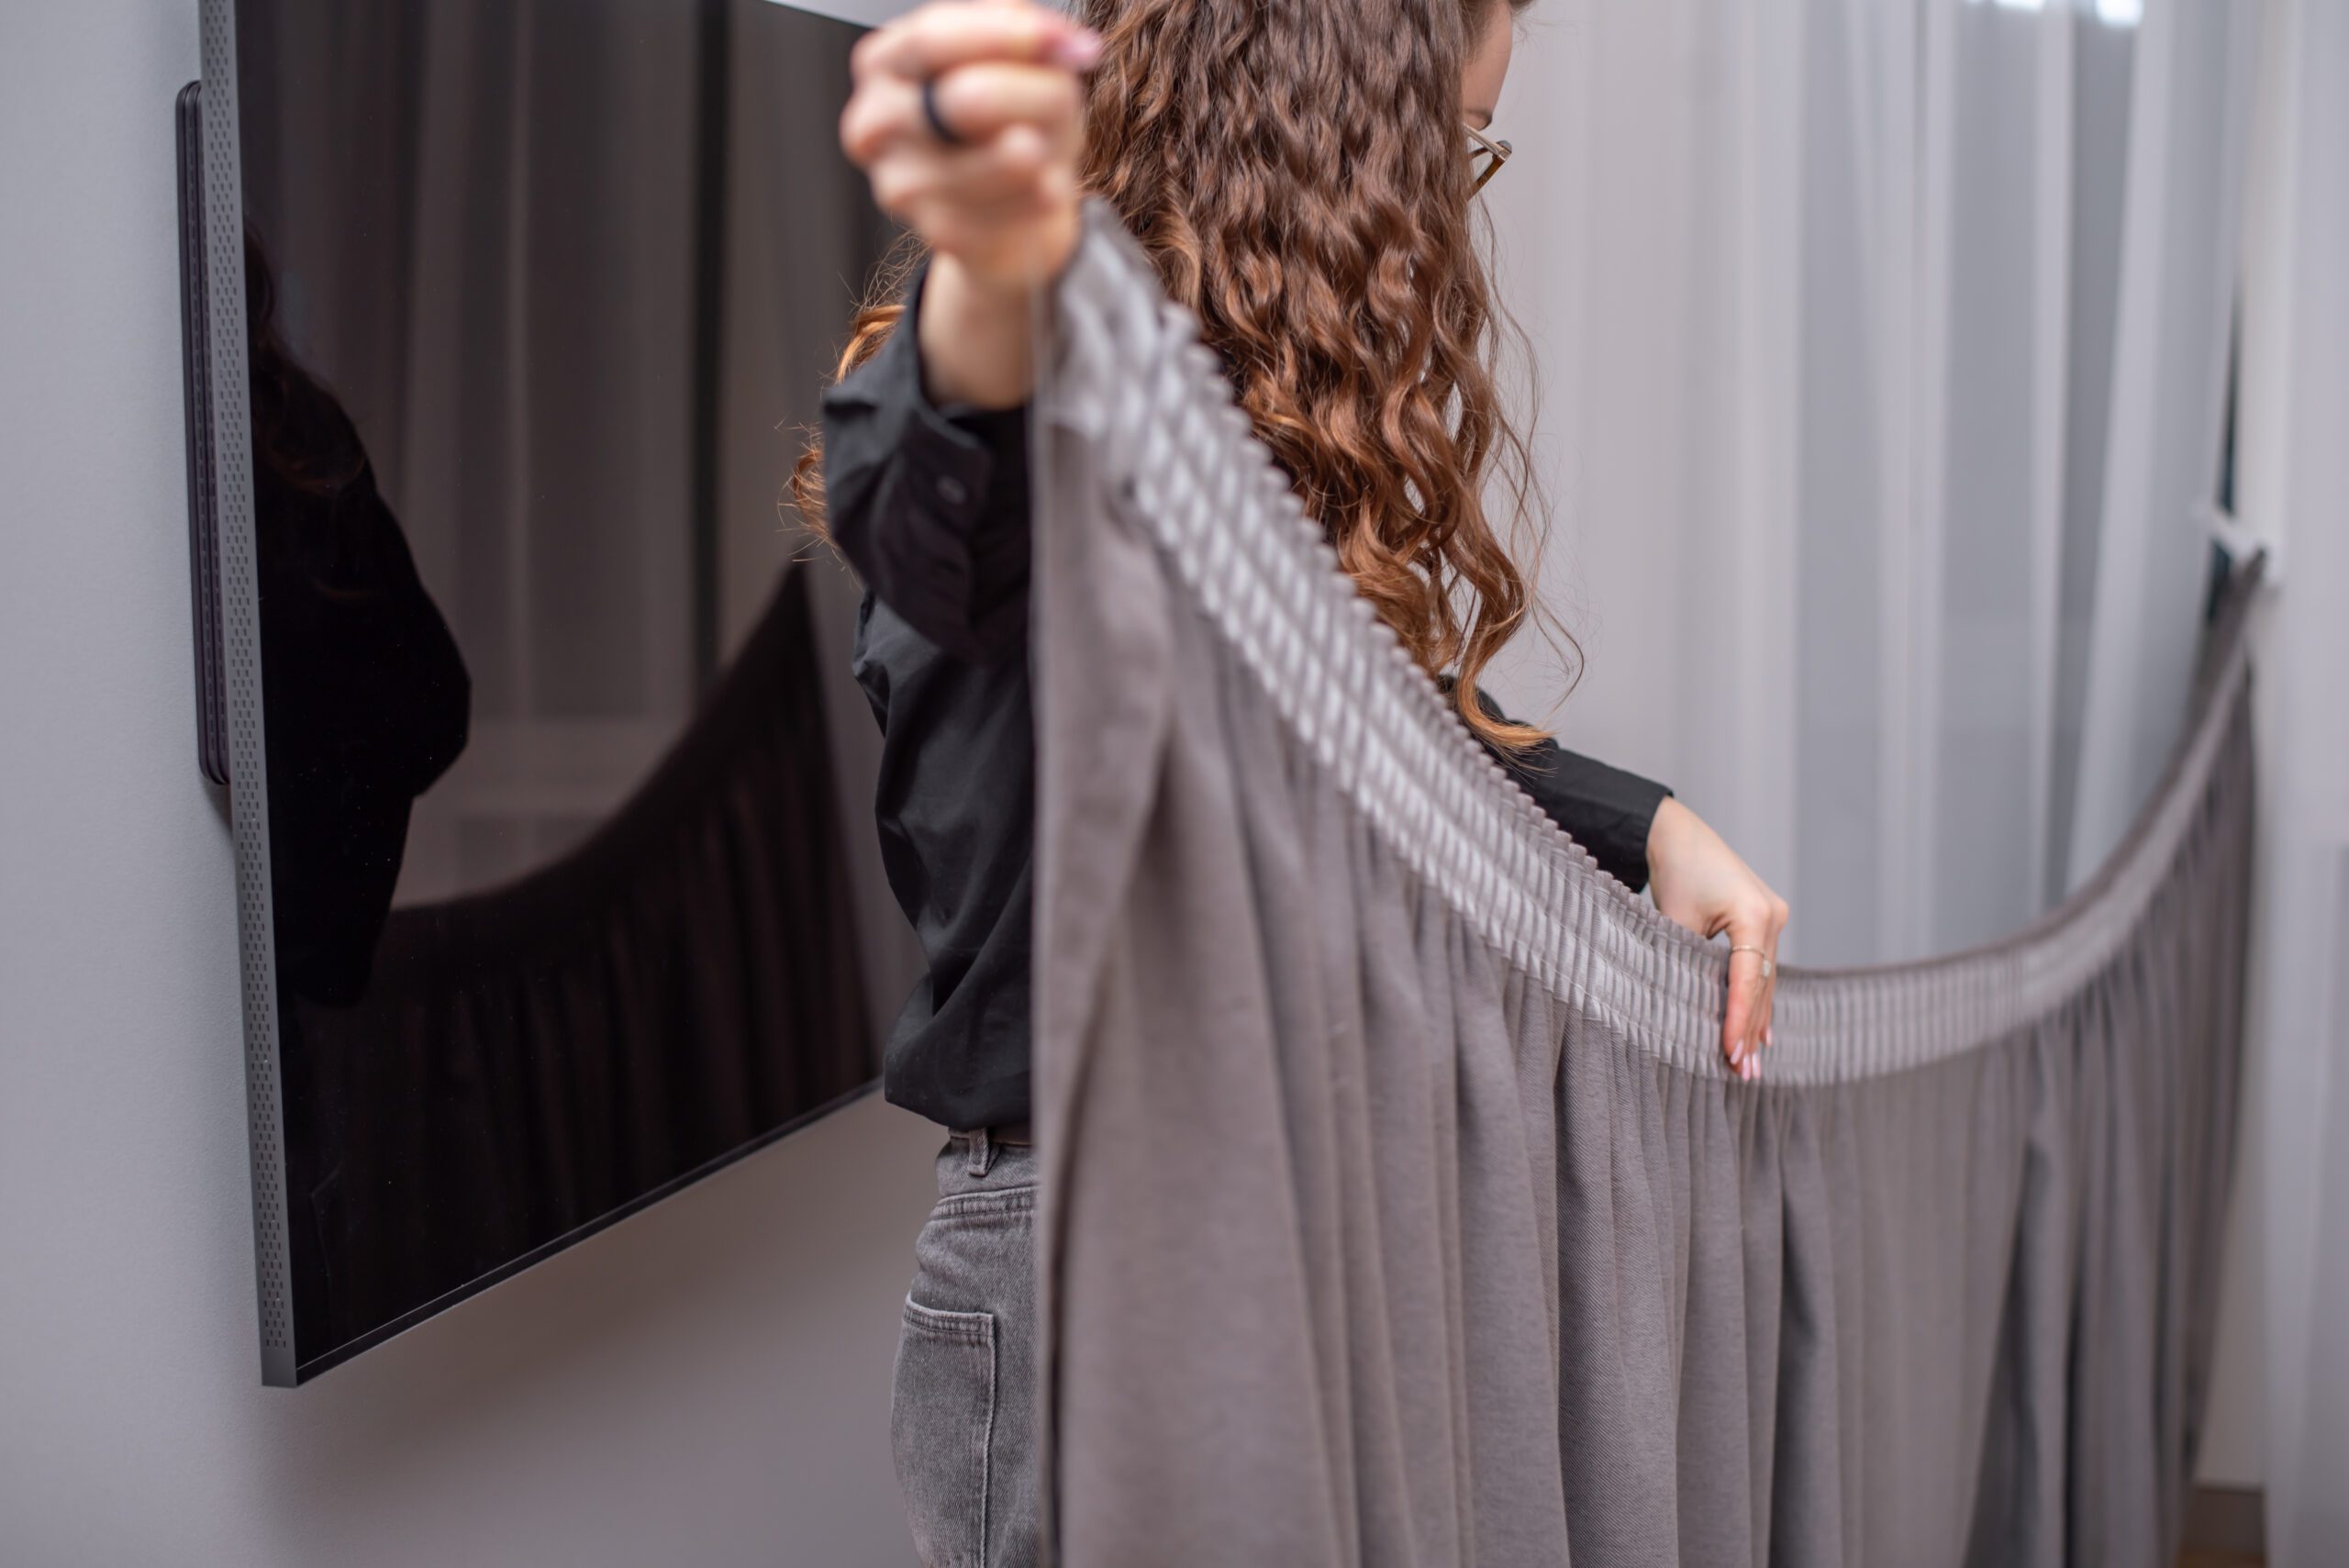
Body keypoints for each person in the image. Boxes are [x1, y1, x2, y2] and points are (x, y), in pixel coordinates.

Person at [802, 2, 1791, 1561]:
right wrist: (988, 279)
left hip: (1263, 1212)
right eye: (1454, 147)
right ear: (1352, 130)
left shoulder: (1226, 441)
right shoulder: (1057, 361)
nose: (1453, 206)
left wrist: (1644, 823)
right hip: (1089, 1264)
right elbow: (936, 516)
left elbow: (1361, 729)